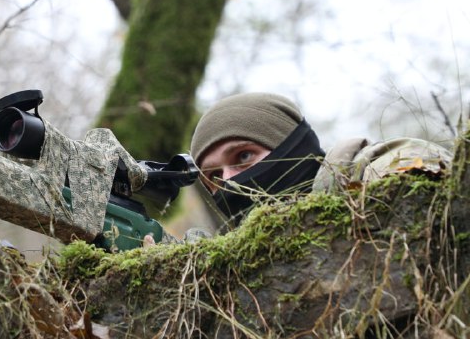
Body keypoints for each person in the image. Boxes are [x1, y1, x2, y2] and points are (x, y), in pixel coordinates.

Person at [186, 92, 453, 237]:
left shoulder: (377, 165)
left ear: (292, 146)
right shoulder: (236, 262)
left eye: (243, 156)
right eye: (215, 176)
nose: (230, 181)